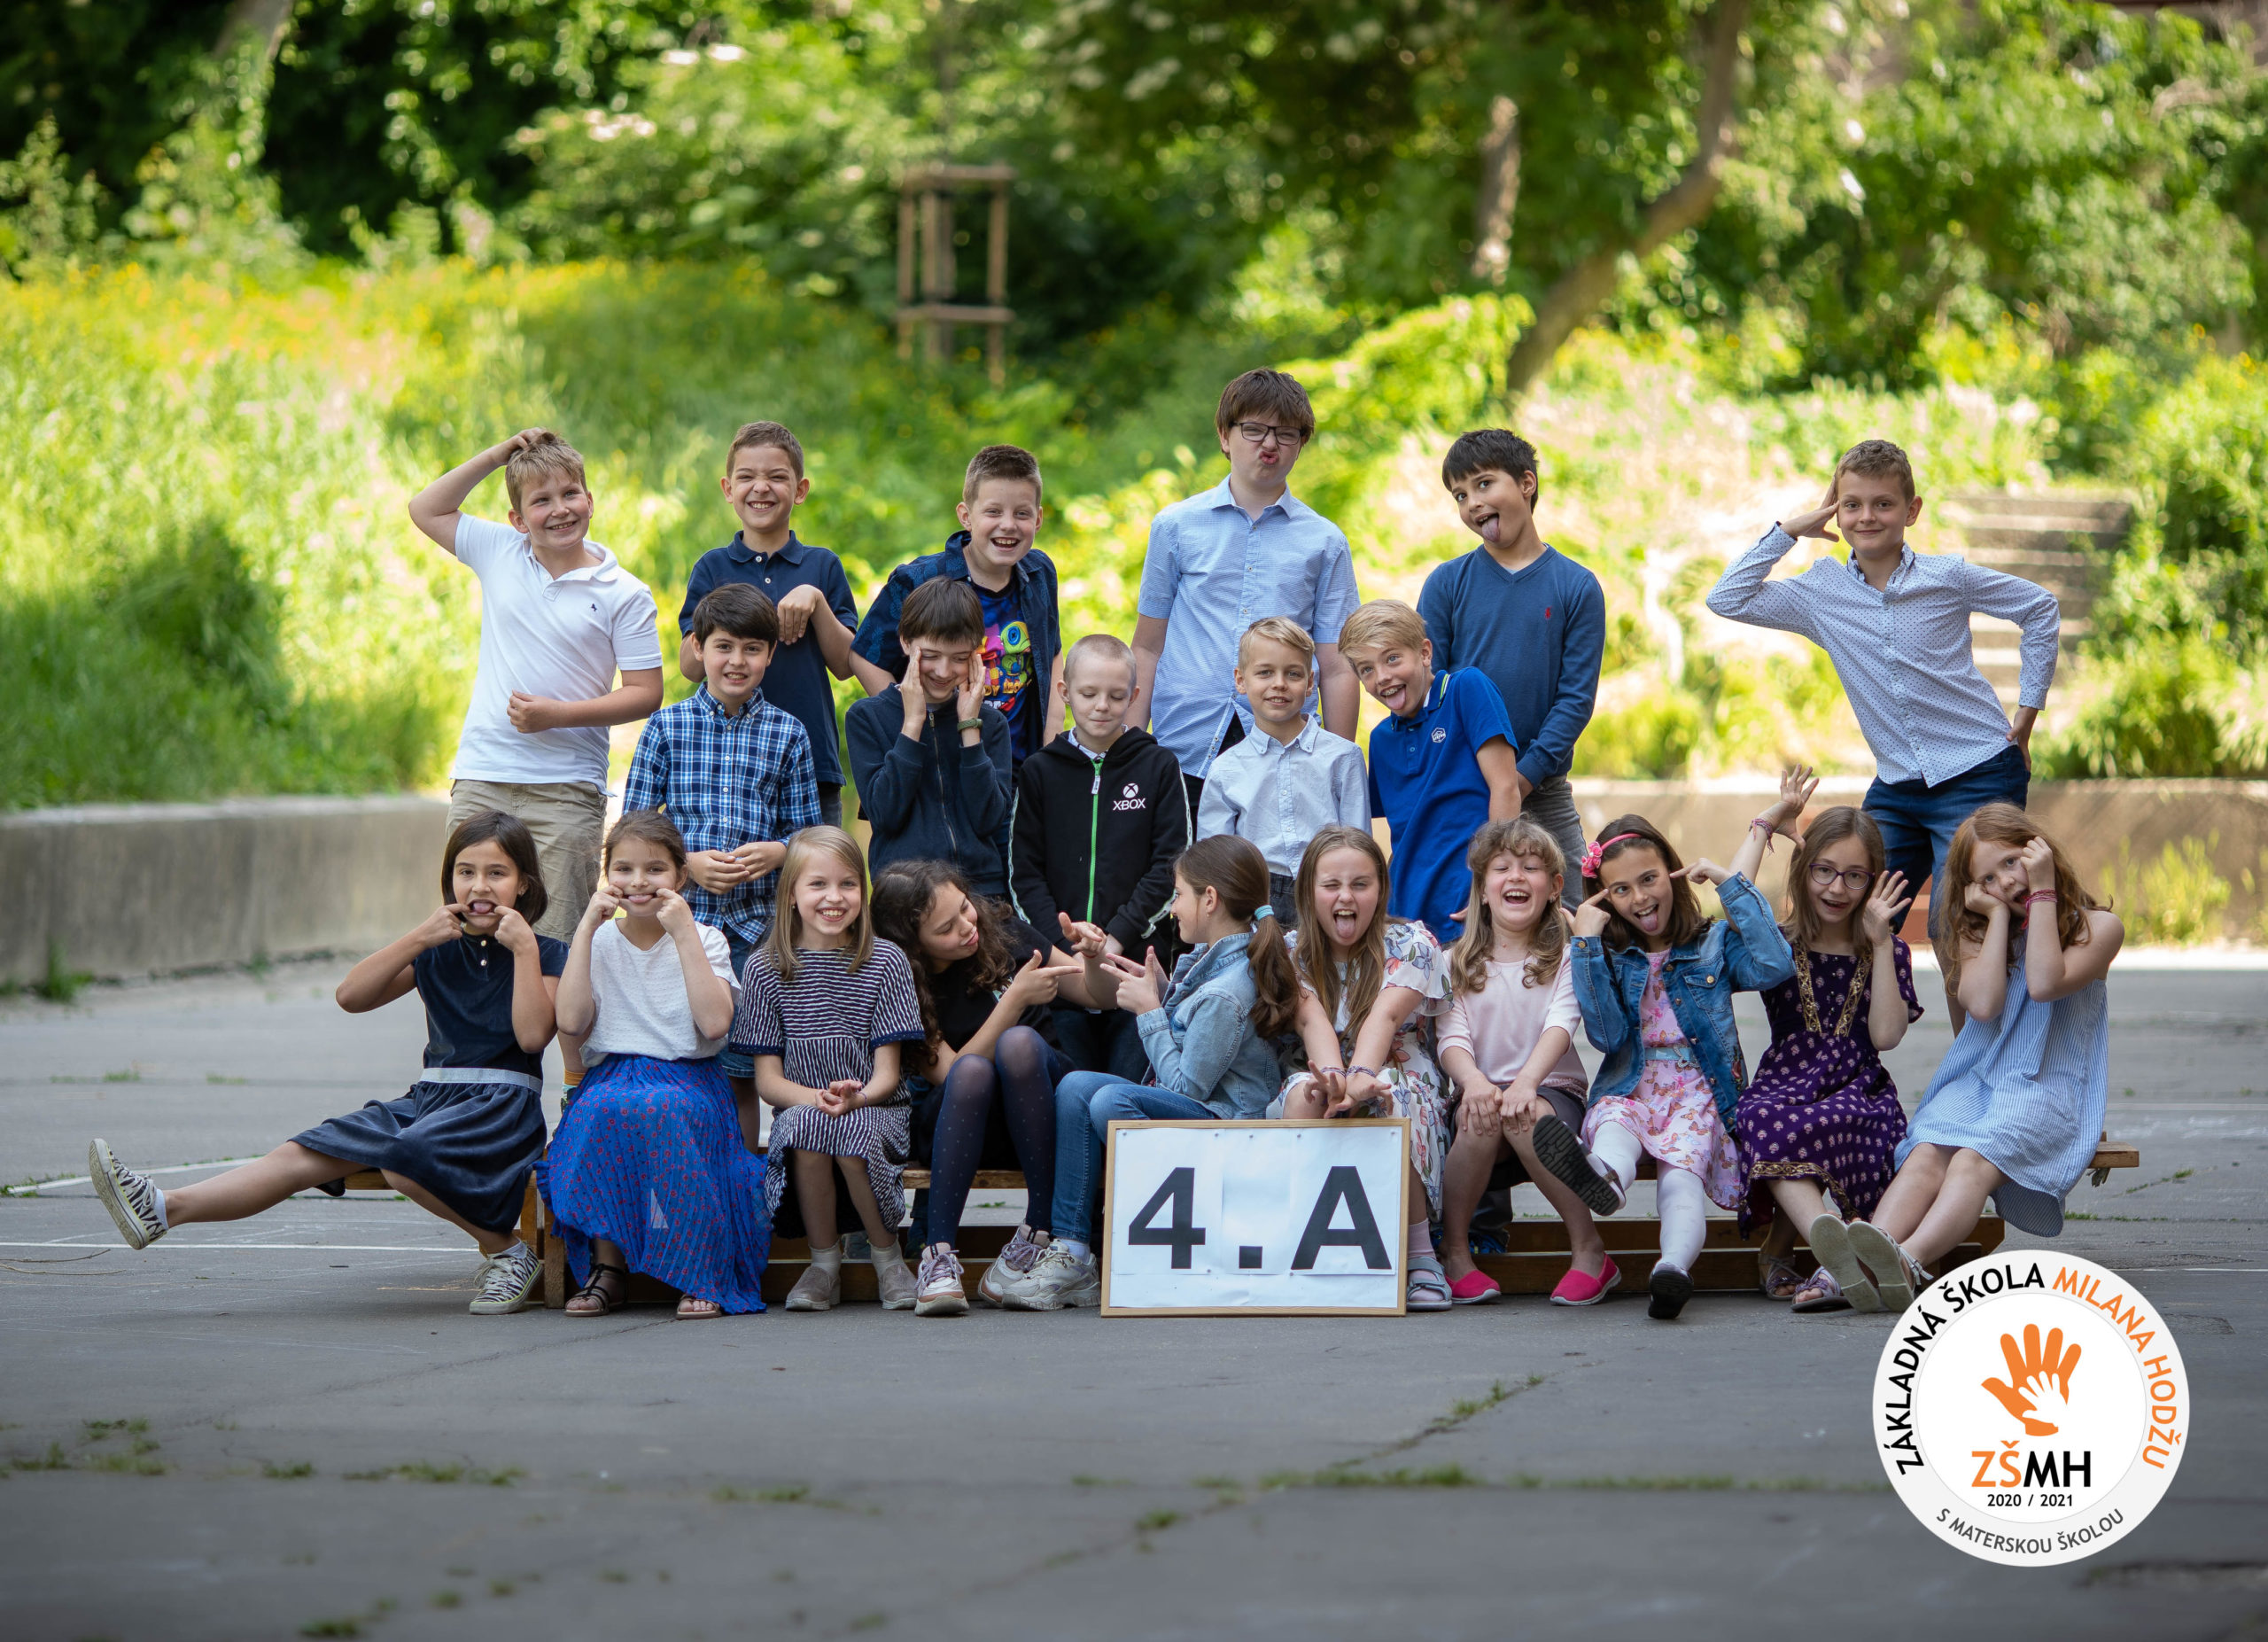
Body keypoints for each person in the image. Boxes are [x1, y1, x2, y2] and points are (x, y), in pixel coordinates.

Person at [89, 813, 566, 1315]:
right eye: (465, 872)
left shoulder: (547, 953)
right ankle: (162, 1208)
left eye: (496, 873)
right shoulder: (435, 949)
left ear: (523, 883)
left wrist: (523, 949)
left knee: (405, 1157)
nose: (479, 886)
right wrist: (417, 938)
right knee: (300, 1154)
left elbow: (533, 1035)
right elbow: (351, 996)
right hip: (428, 1101)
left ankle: (509, 1253)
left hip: (499, 1109)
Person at [1705, 439, 2062, 931]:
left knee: (1958, 926)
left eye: (1883, 504)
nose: (1867, 517)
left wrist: (2027, 712)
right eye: (1852, 505)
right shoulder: (1820, 593)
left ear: (1911, 511)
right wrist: (1790, 531)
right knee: (1855, 916)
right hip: (1896, 787)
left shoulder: (1947, 577)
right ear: (1836, 510)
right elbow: (1727, 597)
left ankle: (2006, 984)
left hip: (1978, 772)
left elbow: (2040, 607)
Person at [1818, 805, 2122, 1313]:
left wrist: (2042, 893)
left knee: (1971, 1161)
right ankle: (1854, 1265)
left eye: (2011, 862)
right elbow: (1983, 1005)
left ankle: (1906, 1262)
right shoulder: (1979, 931)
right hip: (1979, 1083)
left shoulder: (2099, 927)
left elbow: (2044, 982)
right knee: (1925, 1155)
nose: (2006, 882)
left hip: (2046, 1092)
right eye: (1987, 879)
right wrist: (1998, 918)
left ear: (2038, 850)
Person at [1017, 837, 1302, 1310]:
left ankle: (1145, 1237)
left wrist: (1149, 1011)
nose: (1172, 908)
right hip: (1205, 1110)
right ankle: (1072, 1250)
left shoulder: (1226, 990)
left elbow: (1184, 1088)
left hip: (1228, 1127)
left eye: (1178, 894)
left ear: (1209, 899)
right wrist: (1162, 990)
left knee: (1111, 1101)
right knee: (1076, 1085)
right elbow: (1197, 1037)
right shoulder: (1217, 962)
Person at [408, 428, 664, 944]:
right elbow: (425, 509)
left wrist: (557, 715)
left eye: (570, 494)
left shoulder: (625, 593)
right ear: (518, 520)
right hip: (484, 776)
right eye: (541, 501)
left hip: (567, 791)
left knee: (555, 943)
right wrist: (498, 455)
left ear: (590, 500)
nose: (560, 509)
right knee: (469, 934)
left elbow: (645, 692)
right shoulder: (500, 551)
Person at [1562, 804, 1798, 1321]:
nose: (1640, 898)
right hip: (1631, 1083)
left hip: (1699, 1091)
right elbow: (1607, 1036)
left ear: (1673, 871)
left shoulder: (1712, 943)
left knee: (1681, 1180)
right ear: (1603, 897)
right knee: (1613, 1125)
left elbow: (1775, 965)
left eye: (1649, 879)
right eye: (1621, 889)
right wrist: (1586, 943)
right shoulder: (1606, 952)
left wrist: (1729, 883)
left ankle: (1672, 1269)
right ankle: (1604, 1175)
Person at [541, 812, 766, 1319]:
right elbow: (571, 1021)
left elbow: (715, 1025)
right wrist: (585, 929)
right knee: (601, 1109)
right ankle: (609, 1266)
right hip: (614, 1074)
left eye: (655, 869)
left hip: (689, 1078)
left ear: (681, 876)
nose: (638, 881)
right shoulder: (600, 941)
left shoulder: (706, 938)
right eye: (623, 869)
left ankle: (699, 1267)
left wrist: (684, 933)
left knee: (662, 1108)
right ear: (608, 875)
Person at [871, 862, 1116, 1315]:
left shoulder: (1004, 930)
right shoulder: (904, 981)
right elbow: (949, 1074)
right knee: (975, 1069)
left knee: (1020, 1043)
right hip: (966, 1125)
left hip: (1041, 1110)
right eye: (946, 929)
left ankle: (1037, 1232)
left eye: (965, 908)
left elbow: (1096, 994)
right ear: (914, 944)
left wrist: (1093, 959)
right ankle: (938, 1257)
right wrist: (1014, 1000)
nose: (967, 927)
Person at [623, 582, 821, 1102]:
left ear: (770, 654)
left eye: (752, 649)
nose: (737, 661)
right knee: (677, 1062)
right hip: (677, 923)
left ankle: (740, 1159)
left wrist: (781, 852)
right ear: (698, 647)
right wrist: (685, 862)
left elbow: (810, 837)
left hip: (758, 931)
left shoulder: (789, 734)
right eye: (724, 647)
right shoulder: (666, 727)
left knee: (741, 1075)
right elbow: (631, 832)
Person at [1130, 370, 1362, 813]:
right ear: (1225, 435)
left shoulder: (1325, 541)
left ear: (1301, 444)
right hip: (1184, 743)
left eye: (1286, 434)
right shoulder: (1175, 526)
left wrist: (1334, 763)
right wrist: (1132, 751)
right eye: (1253, 429)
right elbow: (1147, 647)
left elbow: (1336, 666)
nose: (1269, 444)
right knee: (1187, 858)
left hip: (1288, 746)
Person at [1736, 800, 1923, 1315]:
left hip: (1859, 1089)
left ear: (1874, 882)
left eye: (1854, 876)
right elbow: (1735, 900)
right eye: (1824, 871)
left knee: (1833, 1121)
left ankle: (1802, 1252)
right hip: (1785, 1084)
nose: (1837, 889)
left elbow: (1886, 1036)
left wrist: (1881, 943)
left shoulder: (1888, 950)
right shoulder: (1777, 943)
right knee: (1762, 1117)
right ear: (1803, 869)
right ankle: (1837, 1252)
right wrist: (1765, 825)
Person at [732, 827, 927, 1313]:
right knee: (809, 1126)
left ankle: (887, 1257)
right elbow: (768, 1082)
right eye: (818, 884)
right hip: (803, 1107)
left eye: (848, 884)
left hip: (878, 1109)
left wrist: (856, 1098)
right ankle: (823, 1263)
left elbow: (887, 1075)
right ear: (791, 894)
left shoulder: (885, 961)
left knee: (849, 1131)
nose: (834, 897)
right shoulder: (765, 969)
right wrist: (818, 1099)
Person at [1273, 827, 1456, 1312]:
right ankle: (1302, 1246)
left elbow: (1386, 1017)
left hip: (1399, 1065)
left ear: (1381, 889)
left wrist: (1360, 1080)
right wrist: (1335, 1082)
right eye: (1331, 885)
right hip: (1323, 1063)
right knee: (1305, 1095)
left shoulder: (1412, 942)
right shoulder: (1290, 951)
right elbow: (1311, 1021)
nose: (1346, 897)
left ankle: (1420, 1257)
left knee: (1392, 1093)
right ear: (1308, 891)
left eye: (1360, 884)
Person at [1434, 818, 1613, 1308]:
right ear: (1482, 890)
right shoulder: (1453, 963)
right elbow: (1451, 1037)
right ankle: (1455, 1255)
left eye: (1531, 867)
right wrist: (1474, 1083)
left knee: (1527, 1115)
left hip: (1551, 1091)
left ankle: (1590, 1251)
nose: (1516, 876)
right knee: (1481, 1115)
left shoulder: (1566, 958)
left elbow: (1561, 1025)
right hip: (1481, 1093)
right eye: (1502, 868)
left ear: (1554, 888)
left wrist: (1526, 1083)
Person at [1418, 430, 1605, 881]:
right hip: (1461, 786)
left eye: (1484, 484)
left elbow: (1575, 700)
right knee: (1461, 907)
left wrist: (1519, 780)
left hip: (1543, 790)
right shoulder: (1446, 583)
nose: (1473, 503)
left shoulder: (1576, 586)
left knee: (1575, 905)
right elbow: (1428, 687)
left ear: (1526, 483)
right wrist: (1484, 780)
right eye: (1460, 495)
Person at [1008, 632, 1188, 1081]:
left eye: (1116, 695)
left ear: (1135, 696)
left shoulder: (1159, 767)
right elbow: (1023, 874)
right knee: (1071, 1092)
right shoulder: (1039, 771)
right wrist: (1064, 949)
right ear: (1065, 692)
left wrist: (1115, 939)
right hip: (1059, 975)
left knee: (1122, 1097)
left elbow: (1172, 867)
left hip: (1135, 971)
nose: (1102, 706)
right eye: (1088, 694)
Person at [677, 420, 872, 828]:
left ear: (800, 490)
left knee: (813, 867)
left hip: (812, 765)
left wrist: (816, 602)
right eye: (746, 477)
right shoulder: (712, 567)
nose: (761, 488)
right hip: (725, 764)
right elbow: (690, 667)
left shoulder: (823, 566)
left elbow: (844, 666)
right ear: (728, 489)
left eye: (777, 477)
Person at [852, 444, 1064, 770]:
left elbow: (1052, 653)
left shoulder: (1040, 573)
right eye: (993, 512)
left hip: (1021, 767)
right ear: (966, 516)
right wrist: (915, 721)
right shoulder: (918, 580)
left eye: (1021, 514)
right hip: (946, 768)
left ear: (1038, 519)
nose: (1008, 525)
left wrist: (1052, 744)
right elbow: (864, 656)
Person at [1338, 599, 1523, 946]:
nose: (1382, 677)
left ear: (1424, 653)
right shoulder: (1380, 739)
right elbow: (1404, 834)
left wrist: (1491, 884)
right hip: (1406, 918)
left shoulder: (1466, 689)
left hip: (1468, 905)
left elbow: (1506, 789)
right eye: (1366, 669)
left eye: (1393, 658)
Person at [1193, 618, 1370, 925]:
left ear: (1310, 682)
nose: (1279, 684)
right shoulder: (1225, 769)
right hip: (1254, 904)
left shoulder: (1343, 757)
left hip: (1329, 896)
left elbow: (1359, 846)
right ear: (1240, 680)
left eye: (1293, 674)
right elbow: (1215, 863)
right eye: (1265, 672)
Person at [845, 579, 1014, 894]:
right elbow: (885, 815)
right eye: (932, 655)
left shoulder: (991, 723)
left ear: (976, 654)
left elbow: (989, 820)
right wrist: (913, 723)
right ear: (906, 642)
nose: (943, 671)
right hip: (906, 893)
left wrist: (969, 727)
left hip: (982, 890)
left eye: (959, 658)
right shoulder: (866, 717)